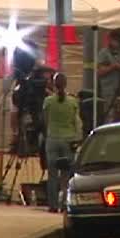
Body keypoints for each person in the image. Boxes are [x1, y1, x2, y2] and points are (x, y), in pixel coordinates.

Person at [42, 73, 82, 213]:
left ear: (53, 84)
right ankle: (65, 203)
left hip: (52, 139)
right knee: (66, 175)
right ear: (66, 84)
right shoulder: (72, 102)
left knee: (52, 175)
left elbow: (45, 121)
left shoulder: (48, 101)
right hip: (68, 139)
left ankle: (52, 205)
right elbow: (75, 121)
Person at [96, 31, 120, 124]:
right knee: (108, 115)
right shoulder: (104, 53)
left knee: (119, 115)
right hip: (108, 90)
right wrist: (113, 67)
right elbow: (99, 71)